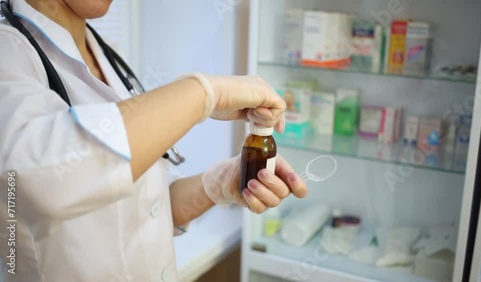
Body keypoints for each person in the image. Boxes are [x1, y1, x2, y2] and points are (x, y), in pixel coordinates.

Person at [0, 0, 308, 281]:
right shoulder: (9, 51)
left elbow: (146, 206)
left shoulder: (106, 52)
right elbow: (37, 179)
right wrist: (205, 93)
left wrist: (216, 185)